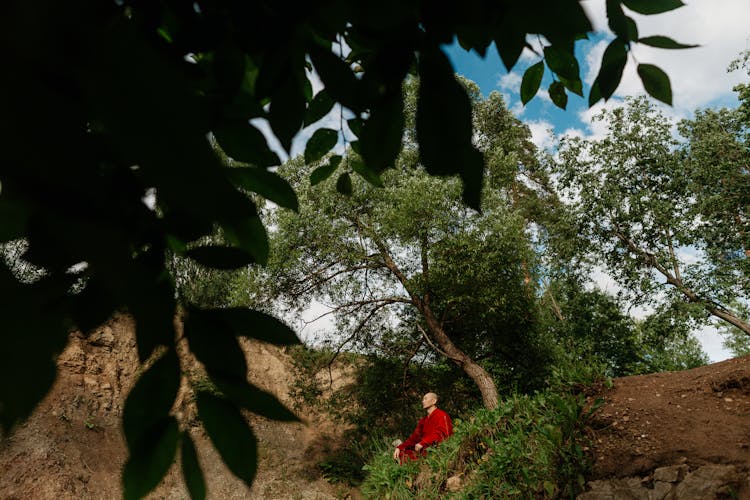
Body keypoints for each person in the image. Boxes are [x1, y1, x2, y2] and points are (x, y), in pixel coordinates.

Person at [393, 392, 453, 463]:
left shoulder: (442, 415)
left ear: (434, 401)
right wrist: (400, 447)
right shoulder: (423, 420)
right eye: (423, 399)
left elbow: (442, 433)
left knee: (410, 457)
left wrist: (423, 443)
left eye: (425, 399)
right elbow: (414, 438)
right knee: (401, 453)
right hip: (422, 449)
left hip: (436, 449)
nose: (423, 401)